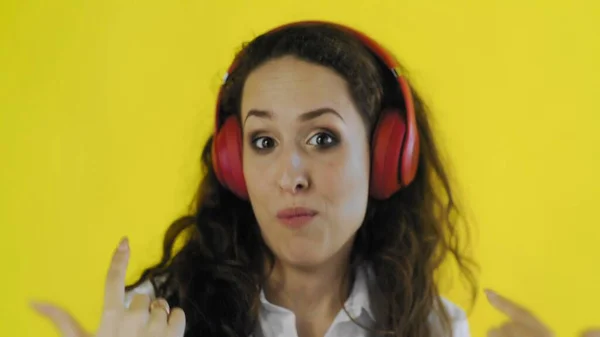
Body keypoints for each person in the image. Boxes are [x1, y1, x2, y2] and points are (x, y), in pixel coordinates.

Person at [29, 20, 598, 337]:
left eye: (322, 138)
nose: (289, 176)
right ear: (234, 164)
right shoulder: (153, 318)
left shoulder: (433, 326)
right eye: (263, 142)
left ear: (384, 155)